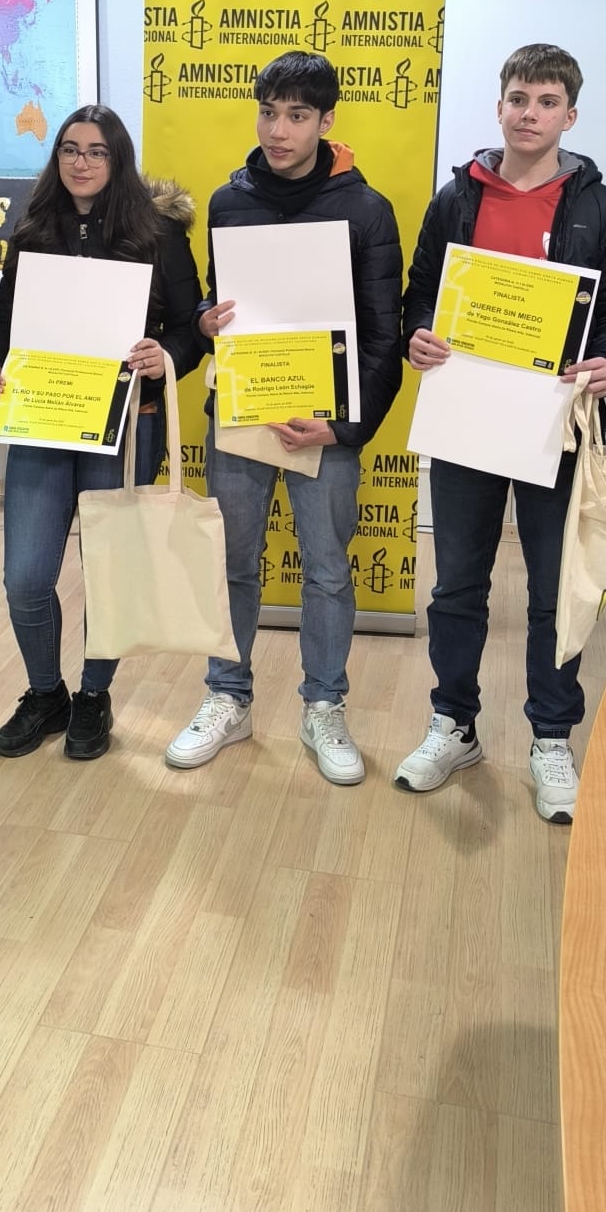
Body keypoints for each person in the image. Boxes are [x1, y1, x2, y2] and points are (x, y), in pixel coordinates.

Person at [397, 43, 606, 823]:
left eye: (546, 102)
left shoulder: (601, 209)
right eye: (517, 99)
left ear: (570, 115)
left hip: (555, 424)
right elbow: (420, 294)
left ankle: (551, 738)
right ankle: (453, 724)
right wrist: (417, 335)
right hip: (467, 420)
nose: (529, 114)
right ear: (499, 106)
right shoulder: (456, 200)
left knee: (552, 590)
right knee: (456, 586)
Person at [165, 51, 402, 786]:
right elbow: (217, 299)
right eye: (268, 112)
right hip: (242, 412)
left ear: (326, 122)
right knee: (232, 562)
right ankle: (227, 697)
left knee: (326, 570)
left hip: (325, 423)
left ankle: (324, 705)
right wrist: (204, 319)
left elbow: (383, 336)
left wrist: (343, 428)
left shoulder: (367, 210)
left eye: (297, 115)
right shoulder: (228, 201)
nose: (278, 129)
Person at [0, 104, 204, 761]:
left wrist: (167, 354)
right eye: (70, 150)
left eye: (97, 151)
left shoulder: (159, 232)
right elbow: (3, 318)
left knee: (107, 573)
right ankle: (46, 692)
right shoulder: (33, 230)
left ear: (117, 159)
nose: (81, 162)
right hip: (44, 420)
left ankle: (94, 695)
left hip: (128, 428)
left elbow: (189, 327)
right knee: (25, 577)